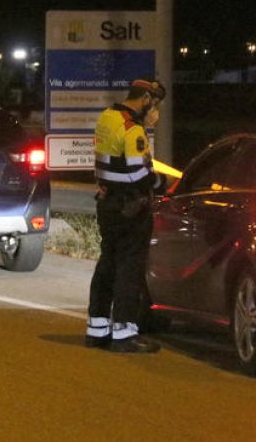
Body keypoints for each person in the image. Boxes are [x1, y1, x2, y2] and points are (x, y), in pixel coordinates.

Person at [86, 78, 168, 353]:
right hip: (130, 207)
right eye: (154, 105)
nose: (155, 112)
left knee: (107, 263)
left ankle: (97, 329)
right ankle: (125, 333)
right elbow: (137, 174)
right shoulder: (134, 130)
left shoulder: (108, 118)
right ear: (145, 98)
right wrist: (161, 184)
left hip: (107, 203)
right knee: (129, 269)